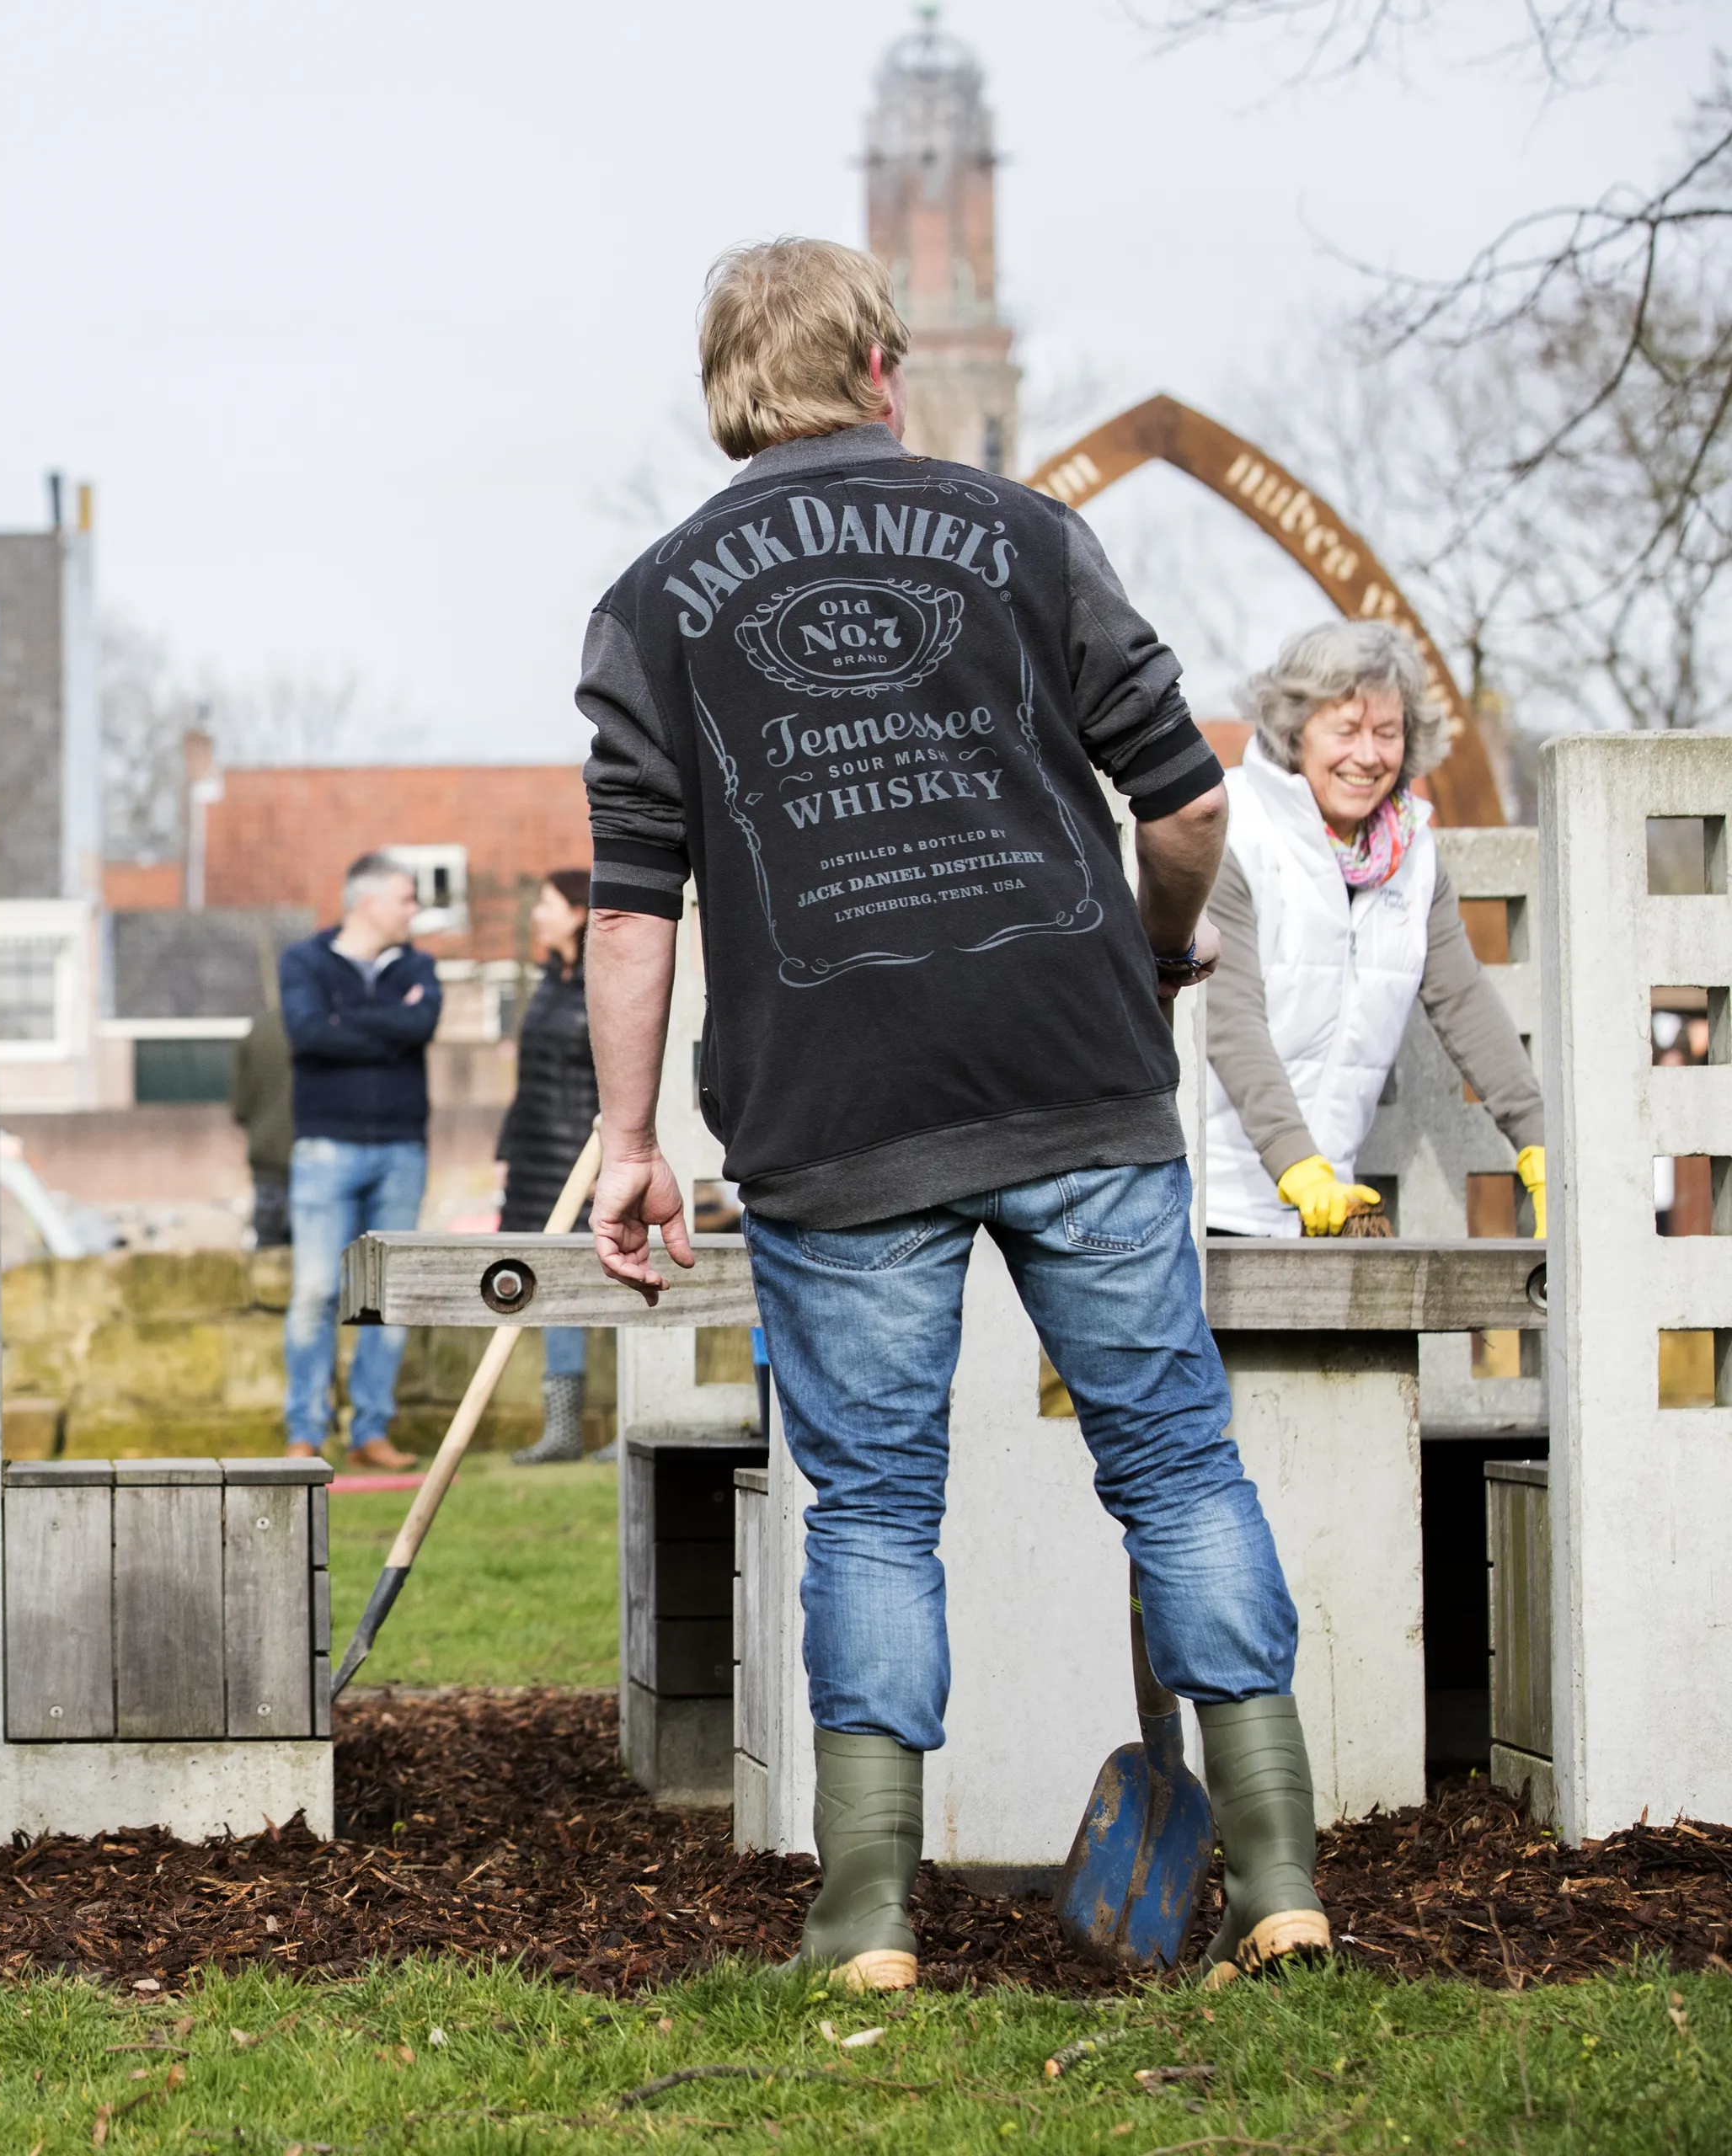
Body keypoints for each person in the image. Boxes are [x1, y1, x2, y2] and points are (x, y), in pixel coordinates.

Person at [579, 237, 1324, 1991]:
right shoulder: (1025, 531)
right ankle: (1283, 1874)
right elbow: (1193, 807)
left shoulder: (651, 601)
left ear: (721, 390)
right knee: (1176, 1458)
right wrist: (1143, 957)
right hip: (1073, 1068)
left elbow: (631, 903)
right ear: (885, 367)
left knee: (870, 1507)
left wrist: (626, 1142)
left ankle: (865, 1918)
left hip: (835, 1112)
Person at [1203, 620, 1547, 1240]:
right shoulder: (1234, 828)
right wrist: (1296, 1166)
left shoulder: (1412, 855)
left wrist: (1541, 1142)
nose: (1368, 755)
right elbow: (1228, 1018)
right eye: (1347, 730)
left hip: (1325, 1213)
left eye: (1387, 733)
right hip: (1201, 1204)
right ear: (1294, 730)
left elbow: (1464, 1002)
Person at [278, 853, 441, 1470]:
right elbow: (308, 1033)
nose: (414, 911)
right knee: (316, 1291)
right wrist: (389, 1026)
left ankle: (371, 1430)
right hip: (325, 1148)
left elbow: (422, 1024)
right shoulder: (304, 962)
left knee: (387, 1295)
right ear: (369, 903)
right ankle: (305, 1429)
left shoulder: (420, 964)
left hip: (401, 1148)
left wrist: (350, 1021)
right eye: (406, 898)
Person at [500, 871, 601, 1465]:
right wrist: (506, 1152)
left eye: (547, 904)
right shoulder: (548, 981)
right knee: (551, 1288)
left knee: (609, 1283)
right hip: (537, 1161)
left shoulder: (604, 979)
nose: (537, 914)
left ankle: (637, 1415)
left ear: (579, 911)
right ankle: (562, 1430)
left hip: (585, 1159)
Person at [232, 997, 294, 1249]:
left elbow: (240, 1107)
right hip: (325, 1154)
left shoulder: (259, 1031)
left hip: (268, 1155)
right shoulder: (332, 1024)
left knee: (269, 1247)